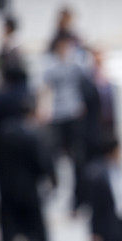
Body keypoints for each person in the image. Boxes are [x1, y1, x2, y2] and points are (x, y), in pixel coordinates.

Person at [0, 96, 55, 241]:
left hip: (6, 187)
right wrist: (49, 178)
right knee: (39, 228)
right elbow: (41, 162)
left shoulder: (3, 131)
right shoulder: (33, 134)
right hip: (29, 189)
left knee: (8, 228)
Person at [42, 33, 87, 210]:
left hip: (73, 112)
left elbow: (85, 81)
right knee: (53, 153)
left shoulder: (76, 62)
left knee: (76, 156)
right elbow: (45, 87)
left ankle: (77, 196)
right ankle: (54, 183)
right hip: (56, 114)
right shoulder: (50, 65)